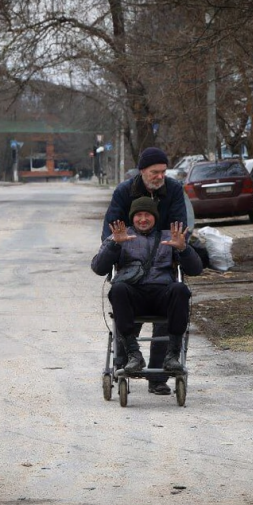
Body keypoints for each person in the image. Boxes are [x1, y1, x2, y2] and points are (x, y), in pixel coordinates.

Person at [101, 147, 190, 394]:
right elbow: (110, 229)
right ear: (142, 172)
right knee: (125, 301)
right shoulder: (124, 191)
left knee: (170, 298)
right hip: (131, 256)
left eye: (163, 171)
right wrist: (117, 245)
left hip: (162, 256)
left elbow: (181, 226)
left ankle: (159, 375)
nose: (160, 176)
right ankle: (126, 364)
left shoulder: (172, 190)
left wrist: (176, 245)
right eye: (154, 172)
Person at [92, 197, 203, 377]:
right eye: (138, 215)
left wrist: (184, 249)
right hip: (134, 296)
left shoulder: (170, 237)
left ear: (155, 217)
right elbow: (98, 268)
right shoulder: (120, 235)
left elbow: (196, 269)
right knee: (118, 288)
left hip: (162, 295)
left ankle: (172, 355)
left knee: (180, 289)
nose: (143, 219)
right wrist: (114, 245)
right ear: (132, 217)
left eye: (147, 215)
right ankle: (133, 354)